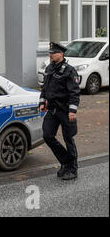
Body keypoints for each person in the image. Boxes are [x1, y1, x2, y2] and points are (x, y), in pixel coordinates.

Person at [39, 42, 81, 181]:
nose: (51, 55)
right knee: (47, 135)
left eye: (53, 53)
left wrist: (72, 111)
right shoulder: (50, 68)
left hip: (65, 111)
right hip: (52, 110)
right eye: (50, 52)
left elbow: (74, 92)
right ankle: (66, 161)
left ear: (61, 54)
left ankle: (73, 169)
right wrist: (42, 101)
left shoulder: (69, 71)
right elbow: (45, 87)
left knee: (68, 138)